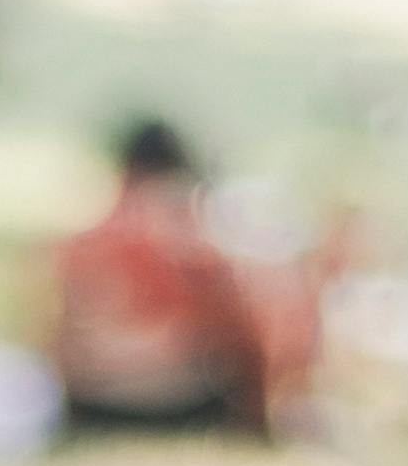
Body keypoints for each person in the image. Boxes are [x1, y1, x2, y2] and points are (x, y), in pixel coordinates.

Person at [45, 114, 314, 440]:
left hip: (91, 404)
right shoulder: (190, 237)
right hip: (182, 406)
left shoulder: (81, 240)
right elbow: (245, 328)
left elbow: (51, 333)